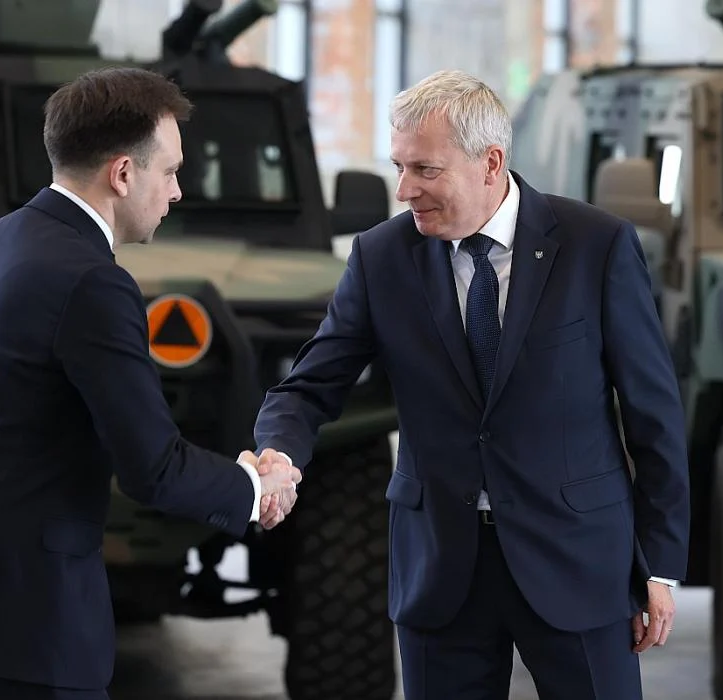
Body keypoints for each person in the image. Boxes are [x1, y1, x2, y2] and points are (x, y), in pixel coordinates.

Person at [251, 70, 690, 699]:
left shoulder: (597, 245)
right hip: (441, 569)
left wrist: (661, 565)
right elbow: (308, 387)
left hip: (578, 561)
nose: (404, 190)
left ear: (491, 163)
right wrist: (278, 452)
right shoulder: (381, 258)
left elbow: (654, 415)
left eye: (425, 170)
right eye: (399, 167)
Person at [0, 66, 299, 700]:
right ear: (123, 174)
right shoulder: (93, 281)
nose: (177, 192)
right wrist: (254, 487)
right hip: (24, 624)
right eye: (170, 172)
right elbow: (152, 468)